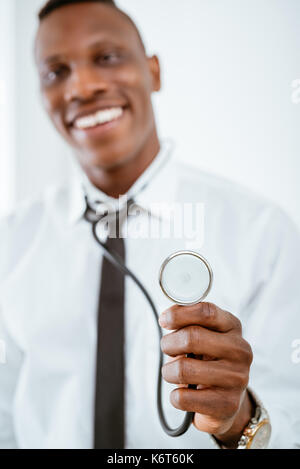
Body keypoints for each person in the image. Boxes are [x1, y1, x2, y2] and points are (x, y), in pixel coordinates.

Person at [0, 0, 299, 450]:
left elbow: (292, 420)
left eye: (106, 57)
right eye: (56, 72)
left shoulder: (261, 232)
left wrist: (238, 418)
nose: (82, 86)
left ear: (154, 72)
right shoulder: (12, 241)